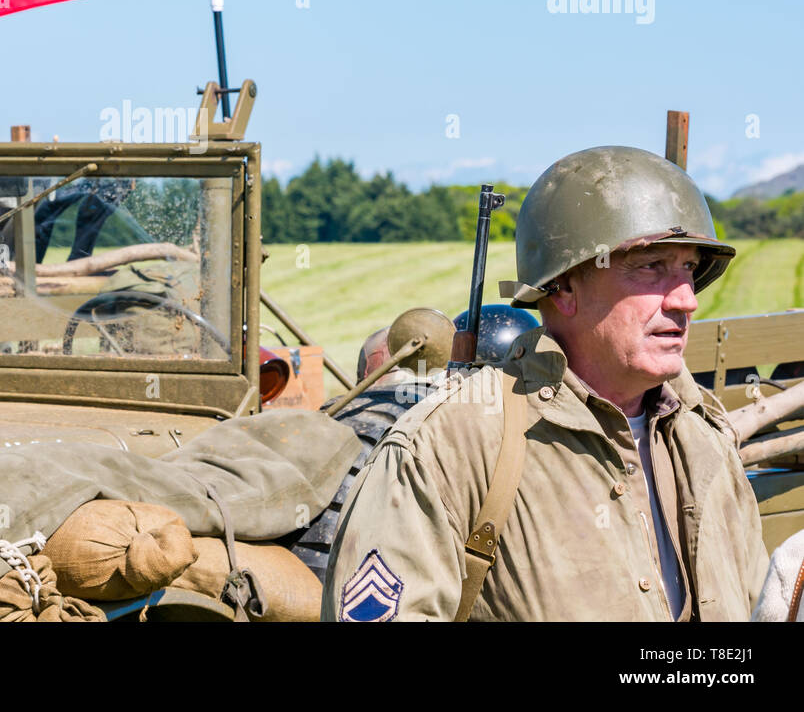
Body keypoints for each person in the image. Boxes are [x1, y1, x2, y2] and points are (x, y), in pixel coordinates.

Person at [322, 146, 769, 621]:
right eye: (651, 267)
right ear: (567, 288)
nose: (686, 299)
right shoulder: (451, 446)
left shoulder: (704, 442)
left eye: (688, 270)